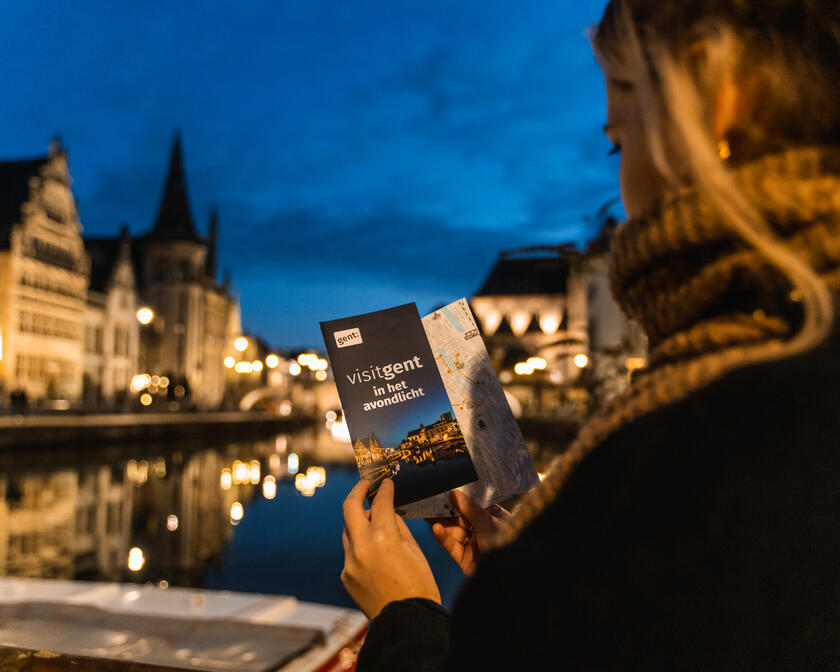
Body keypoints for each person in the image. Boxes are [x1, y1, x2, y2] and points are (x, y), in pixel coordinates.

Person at [341, 1, 840, 668]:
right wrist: (536, 574)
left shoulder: (704, 440)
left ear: (716, 101)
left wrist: (404, 613)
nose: (621, 185)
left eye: (619, 139)